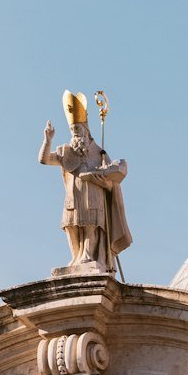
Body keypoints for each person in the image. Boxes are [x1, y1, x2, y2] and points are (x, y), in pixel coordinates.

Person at [38, 91, 131, 274]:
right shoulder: (65, 151)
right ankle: (76, 258)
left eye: (78, 129)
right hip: (73, 197)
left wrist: (104, 182)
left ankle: (88, 256)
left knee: (91, 226)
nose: (75, 133)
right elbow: (44, 159)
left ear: (86, 130)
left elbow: (112, 183)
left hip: (93, 197)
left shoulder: (100, 153)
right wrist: (47, 140)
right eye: (73, 130)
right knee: (70, 225)